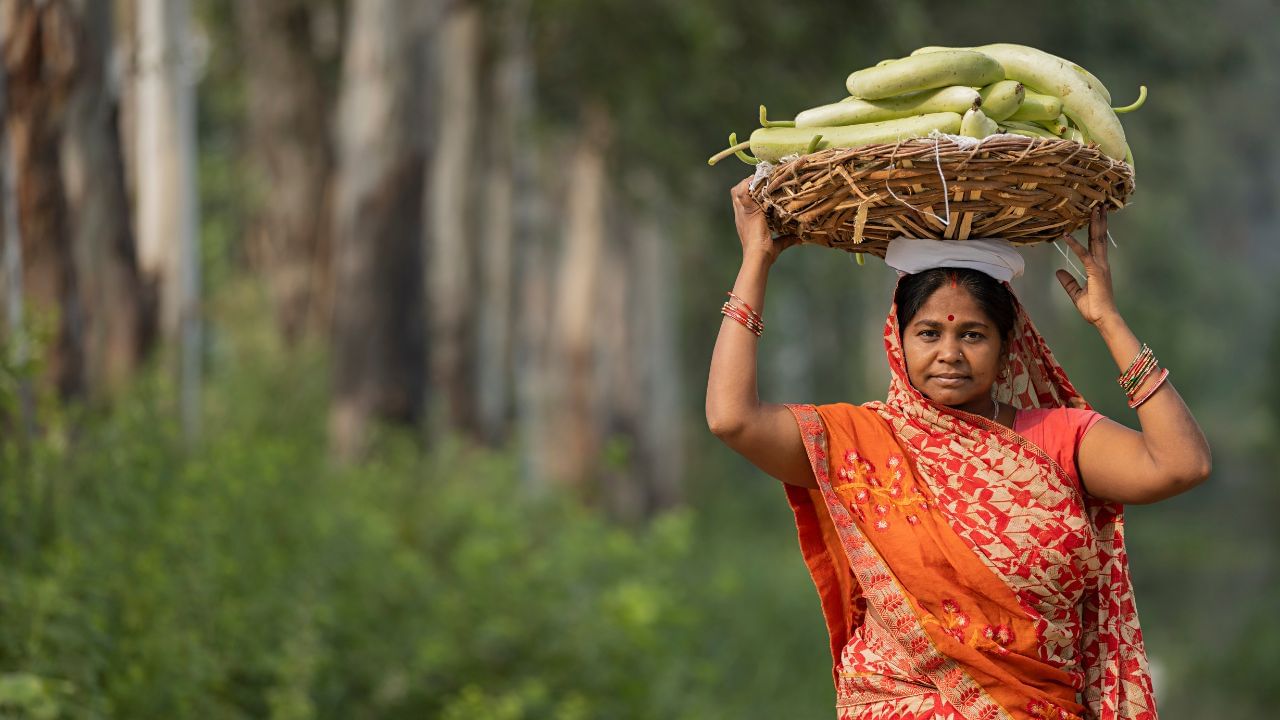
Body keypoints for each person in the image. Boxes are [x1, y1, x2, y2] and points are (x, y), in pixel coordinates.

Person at [706, 177, 1211, 720]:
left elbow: (1182, 465)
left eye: (972, 335)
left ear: (1006, 347)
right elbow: (732, 419)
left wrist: (1108, 322)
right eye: (928, 333)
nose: (949, 353)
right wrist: (756, 261)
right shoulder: (862, 442)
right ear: (897, 339)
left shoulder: (1058, 438)